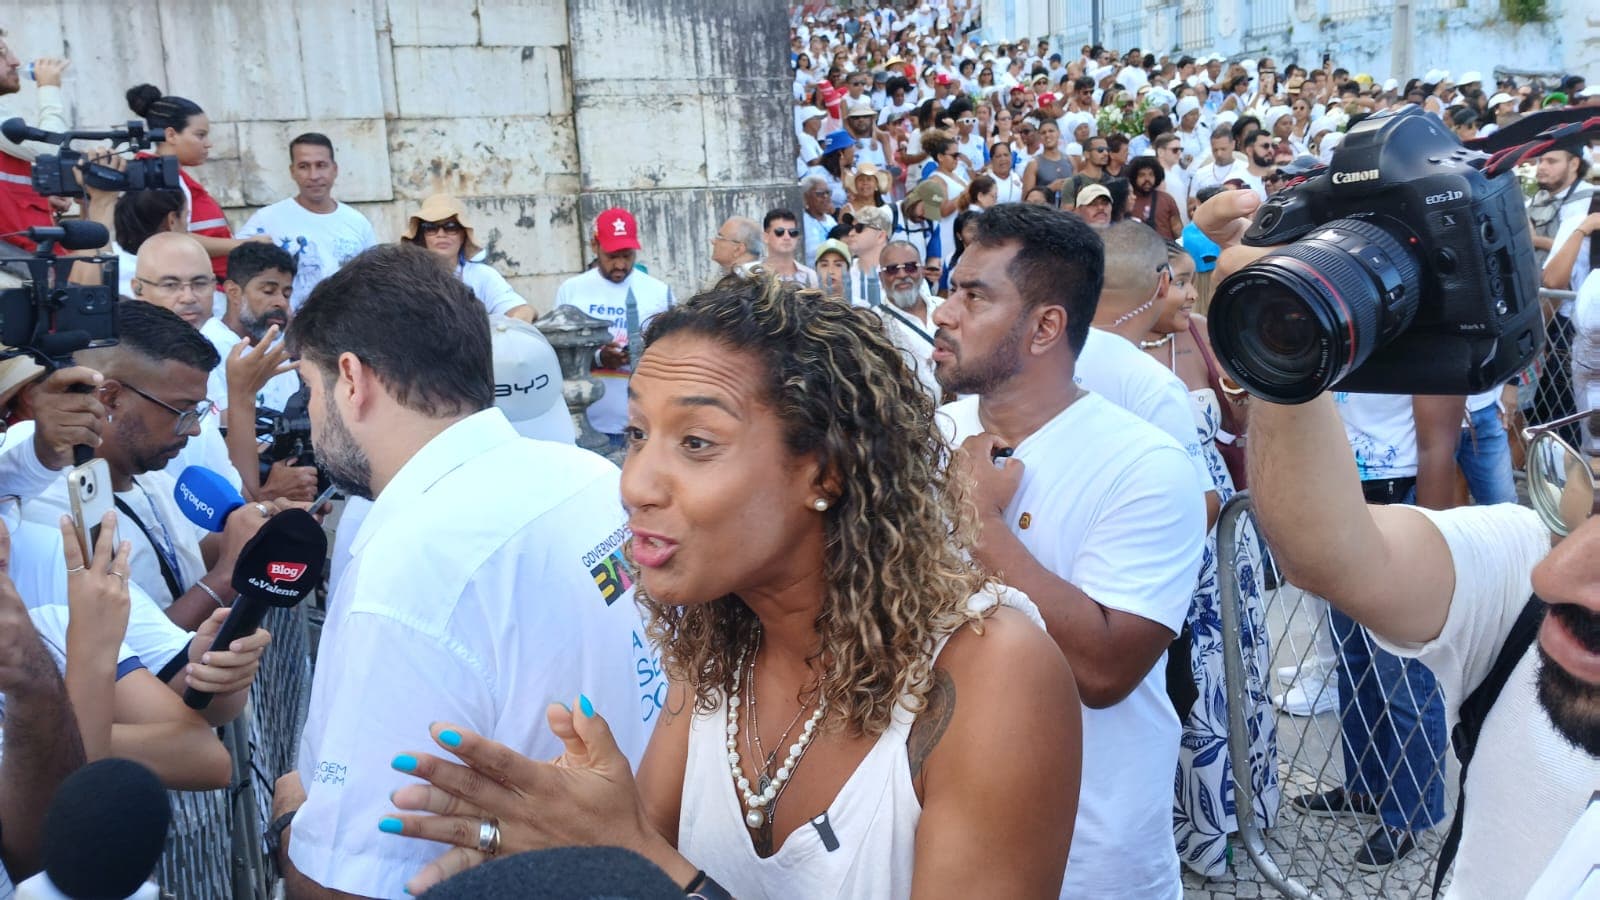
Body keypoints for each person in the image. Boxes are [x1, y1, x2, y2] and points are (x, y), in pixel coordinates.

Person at [374, 273, 1081, 898]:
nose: (636, 484)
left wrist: (634, 856)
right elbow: (632, 871)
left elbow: (646, 866)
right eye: (637, 436)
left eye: (696, 443)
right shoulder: (716, 655)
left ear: (825, 471)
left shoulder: (994, 672)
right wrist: (568, 843)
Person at [1196, 188, 1600, 898]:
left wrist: (1431, 499)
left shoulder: (1427, 340)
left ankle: (1408, 807)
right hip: (1358, 491)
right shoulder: (1529, 563)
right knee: (1357, 658)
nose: (1557, 574)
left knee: (1405, 683)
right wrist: (1282, 324)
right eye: (1590, 501)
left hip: (1403, 482)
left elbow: (1436, 432)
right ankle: (1366, 785)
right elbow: (1328, 556)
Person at [268, 244, 653, 899]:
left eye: (310, 387)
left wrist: (286, 821)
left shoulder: (409, 565)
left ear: (352, 380)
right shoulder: (592, 477)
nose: (312, 414)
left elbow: (347, 884)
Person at [936, 204, 1203, 899]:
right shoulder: (931, 433)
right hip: (940, 839)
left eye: (974, 295)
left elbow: (1105, 670)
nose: (943, 312)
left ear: (1046, 326)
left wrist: (982, 527)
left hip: (1089, 861)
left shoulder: (1145, 464)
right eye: (951, 287)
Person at [1140, 241, 1278, 875]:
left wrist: (1243, 411)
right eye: (1181, 284)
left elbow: (1238, 428)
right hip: (1150, 544)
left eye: (1197, 284)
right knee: (1165, 687)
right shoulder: (1095, 360)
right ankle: (1171, 825)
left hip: (1220, 539)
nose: (1192, 297)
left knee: (1224, 678)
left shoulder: (1202, 337)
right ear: (1150, 284)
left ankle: (1230, 817)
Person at [22, 300, 288, 629]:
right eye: (182, 410)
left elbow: (188, 558)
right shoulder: (44, 502)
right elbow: (122, 658)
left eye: (199, 411)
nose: (193, 428)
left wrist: (257, 532)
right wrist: (226, 577)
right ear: (111, 398)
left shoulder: (151, 475)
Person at [554, 208, 675, 448]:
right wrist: (599, 357)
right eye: (612, 255)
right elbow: (558, 351)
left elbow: (674, 351)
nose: (620, 264)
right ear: (594, 246)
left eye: (627, 255)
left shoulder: (659, 292)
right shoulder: (572, 290)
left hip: (643, 423)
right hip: (585, 422)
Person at [124, 85, 261, 281]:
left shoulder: (164, 173)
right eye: (200, 135)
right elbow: (174, 239)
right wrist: (247, 244)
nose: (208, 143)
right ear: (171, 135)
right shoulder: (161, 178)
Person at [237, 133, 379, 307]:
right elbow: (239, 270)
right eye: (304, 166)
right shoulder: (266, 219)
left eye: (321, 165)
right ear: (292, 171)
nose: (314, 175)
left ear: (334, 169)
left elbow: (374, 280)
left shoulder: (358, 222)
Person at [401, 194, 532, 322]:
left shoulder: (482, 276)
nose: (441, 234)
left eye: (450, 227)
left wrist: (499, 333)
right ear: (423, 236)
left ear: (463, 235)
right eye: (431, 228)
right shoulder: (407, 279)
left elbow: (523, 311)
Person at [0, 35, 67, 252]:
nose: (15, 61)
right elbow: (52, 148)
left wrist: (37, 195)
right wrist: (49, 88)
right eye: (2, 53)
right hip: (16, 267)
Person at [1125, 158, 1182, 240]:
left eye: (1151, 175)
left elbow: (1177, 229)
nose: (1147, 179)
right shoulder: (1127, 201)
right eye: (1142, 175)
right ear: (1134, 177)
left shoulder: (1167, 199)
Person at [758, 209, 817, 287]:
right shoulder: (754, 275)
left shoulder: (811, 276)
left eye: (792, 232)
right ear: (766, 237)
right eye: (779, 232)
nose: (787, 237)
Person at [800, 175, 839, 263]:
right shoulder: (802, 221)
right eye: (819, 194)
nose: (825, 197)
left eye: (828, 193)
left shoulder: (830, 220)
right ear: (806, 197)